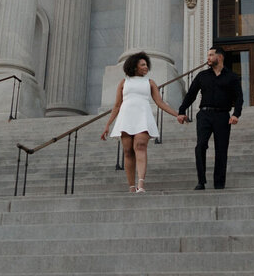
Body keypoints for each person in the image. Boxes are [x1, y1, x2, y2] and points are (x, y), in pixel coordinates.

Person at [101, 51, 181, 193]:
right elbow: (117, 105)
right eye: (143, 65)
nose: (146, 67)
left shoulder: (150, 82)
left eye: (146, 64)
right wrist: (108, 125)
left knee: (140, 146)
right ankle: (131, 187)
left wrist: (177, 115)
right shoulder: (124, 82)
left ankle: (141, 184)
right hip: (126, 117)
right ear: (134, 66)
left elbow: (160, 102)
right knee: (127, 151)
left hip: (142, 117)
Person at [177, 45, 242, 190]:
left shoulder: (231, 77)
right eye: (208, 55)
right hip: (204, 115)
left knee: (221, 149)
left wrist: (236, 114)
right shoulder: (202, 76)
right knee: (200, 145)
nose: (208, 58)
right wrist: (181, 111)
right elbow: (191, 95)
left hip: (222, 116)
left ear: (220, 57)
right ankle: (201, 181)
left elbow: (239, 97)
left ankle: (219, 183)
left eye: (211, 55)